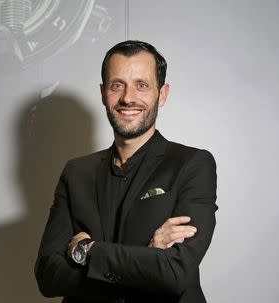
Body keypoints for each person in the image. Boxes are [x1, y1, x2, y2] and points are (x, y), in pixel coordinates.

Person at [34, 40, 218, 302]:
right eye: (117, 85)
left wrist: (86, 251)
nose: (128, 98)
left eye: (141, 85)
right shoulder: (76, 173)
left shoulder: (192, 165)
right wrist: (148, 257)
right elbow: (48, 277)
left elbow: (175, 273)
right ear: (102, 93)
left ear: (162, 94)